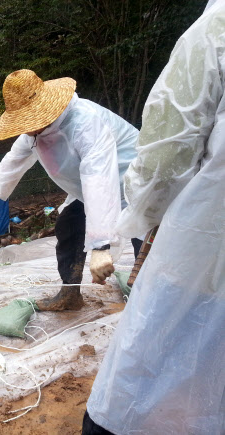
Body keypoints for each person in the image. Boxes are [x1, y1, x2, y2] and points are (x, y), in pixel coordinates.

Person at [84, 1, 225, 433]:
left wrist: (107, 241)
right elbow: (22, 163)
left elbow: (151, 164)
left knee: (150, 358)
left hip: (205, 230)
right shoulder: (35, 138)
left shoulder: (218, 25)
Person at [0, 69, 141, 310]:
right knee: (69, 224)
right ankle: (70, 294)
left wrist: (101, 246)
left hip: (133, 181)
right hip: (89, 189)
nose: (28, 128)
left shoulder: (84, 121)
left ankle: (150, 302)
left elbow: (99, 177)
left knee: (144, 240)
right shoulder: (35, 132)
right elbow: (15, 158)